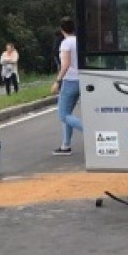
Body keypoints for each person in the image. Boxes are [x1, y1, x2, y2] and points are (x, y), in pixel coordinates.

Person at [51, 17, 82, 156]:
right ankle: (65, 145)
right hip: (82, 79)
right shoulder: (79, 41)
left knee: (63, 115)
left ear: (62, 29)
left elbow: (65, 64)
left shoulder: (66, 43)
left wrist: (58, 81)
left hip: (70, 80)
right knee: (68, 113)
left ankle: (89, 130)